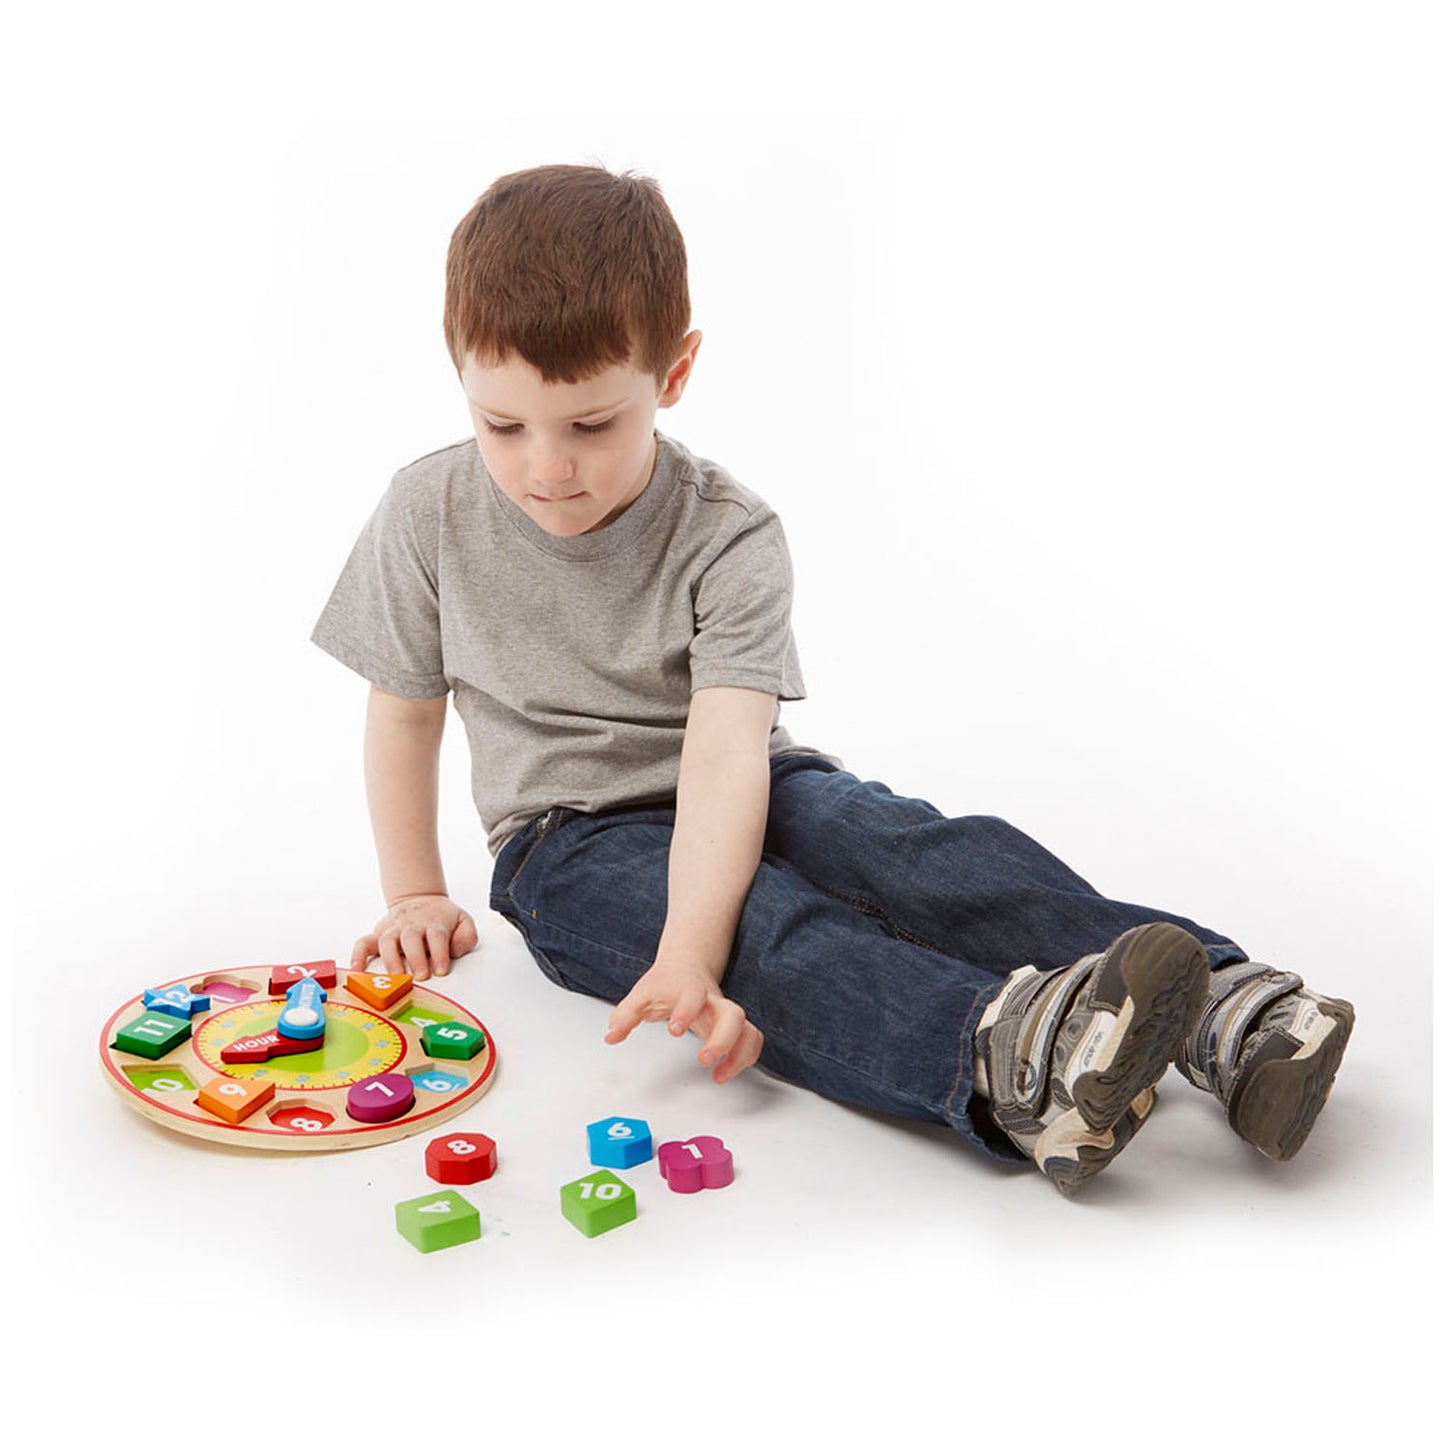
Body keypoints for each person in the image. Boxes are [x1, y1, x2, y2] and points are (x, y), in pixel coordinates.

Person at [311, 162, 1354, 1195]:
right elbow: (403, 711)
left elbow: (727, 751)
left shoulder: (729, 532)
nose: (547, 467)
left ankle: (1226, 1008)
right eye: (502, 425)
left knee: (906, 849)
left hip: (746, 777)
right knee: (765, 933)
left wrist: (693, 930)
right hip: (566, 840)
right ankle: (1010, 1061)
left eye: (590, 424)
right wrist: (419, 891)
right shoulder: (425, 510)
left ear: (673, 373)